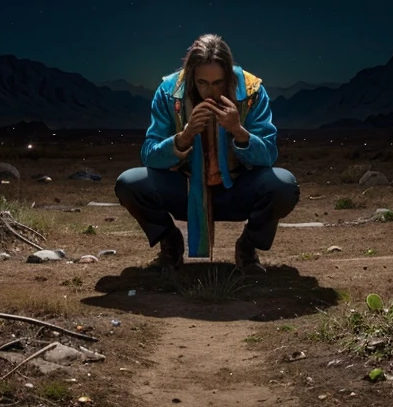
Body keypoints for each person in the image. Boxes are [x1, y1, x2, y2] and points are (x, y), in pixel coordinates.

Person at [114, 33, 300, 271]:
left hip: (236, 189)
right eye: (202, 83)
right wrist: (184, 136)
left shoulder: (252, 92)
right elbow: (149, 154)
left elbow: (269, 155)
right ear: (192, 77)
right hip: (186, 190)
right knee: (130, 183)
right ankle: (169, 241)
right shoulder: (169, 92)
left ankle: (248, 245)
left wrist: (238, 131)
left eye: (218, 83)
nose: (210, 92)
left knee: (284, 186)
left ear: (228, 77)